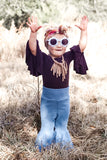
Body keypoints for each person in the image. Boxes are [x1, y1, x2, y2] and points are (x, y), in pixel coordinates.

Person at [26, 16, 88, 152]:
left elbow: (81, 47)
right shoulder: (44, 58)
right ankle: (43, 146)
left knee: (61, 125)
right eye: (53, 42)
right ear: (47, 45)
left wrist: (84, 31)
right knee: (47, 126)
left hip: (64, 100)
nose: (59, 45)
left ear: (66, 44)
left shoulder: (67, 57)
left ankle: (64, 145)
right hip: (48, 101)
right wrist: (33, 33)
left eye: (63, 41)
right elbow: (33, 49)